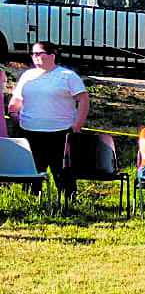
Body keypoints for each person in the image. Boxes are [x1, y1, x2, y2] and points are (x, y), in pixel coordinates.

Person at [7, 41, 88, 200]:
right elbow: (16, 100)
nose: (34, 57)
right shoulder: (27, 76)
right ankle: (31, 202)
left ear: (52, 56)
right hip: (30, 132)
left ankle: (67, 202)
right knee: (31, 171)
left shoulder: (67, 76)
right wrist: (13, 113)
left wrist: (77, 124)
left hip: (60, 133)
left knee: (62, 171)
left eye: (39, 53)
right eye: (33, 54)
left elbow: (83, 99)